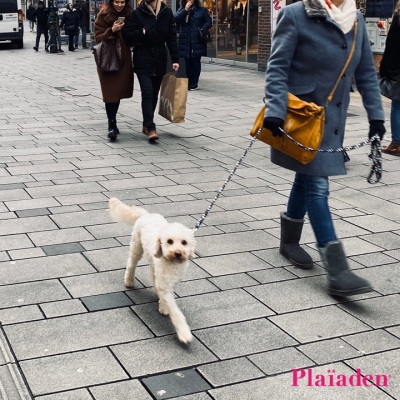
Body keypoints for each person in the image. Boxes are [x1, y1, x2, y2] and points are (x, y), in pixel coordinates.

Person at [263, 0, 386, 296]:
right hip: (303, 119)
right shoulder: (295, 15)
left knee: (307, 177)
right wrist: (275, 110)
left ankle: (289, 241)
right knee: (318, 186)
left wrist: (377, 117)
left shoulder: (355, 18)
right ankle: (338, 271)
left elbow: (367, 74)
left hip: (332, 123)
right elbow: (277, 67)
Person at [122, 0, 179, 142]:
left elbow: (172, 37)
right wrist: (141, 32)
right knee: (147, 92)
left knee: (154, 94)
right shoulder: (137, 14)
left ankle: (146, 123)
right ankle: (151, 127)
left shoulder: (166, 13)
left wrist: (175, 59)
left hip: (160, 58)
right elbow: (127, 36)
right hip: (143, 57)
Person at [94, 0, 133, 141]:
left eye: (122, 2)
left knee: (117, 92)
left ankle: (113, 121)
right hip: (107, 58)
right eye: (117, 1)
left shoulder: (130, 15)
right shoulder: (102, 16)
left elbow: (133, 36)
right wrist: (111, 30)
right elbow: (98, 38)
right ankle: (111, 123)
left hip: (123, 59)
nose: (119, 5)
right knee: (110, 92)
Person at [175, 0, 212, 91]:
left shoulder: (201, 10)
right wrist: (185, 10)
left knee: (196, 61)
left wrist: (202, 29)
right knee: (187, 61)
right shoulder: (181, 10)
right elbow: (175, 20)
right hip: (185, 39)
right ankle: (188, 81)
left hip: (197, 39)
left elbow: (209, 21)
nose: (190, 1)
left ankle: (194, 82)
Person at [379, 0, 400, 156]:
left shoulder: (399, 17)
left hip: (398, 69)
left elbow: (391, 45)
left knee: (397, 105)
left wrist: (384, 68)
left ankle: (396, 143)